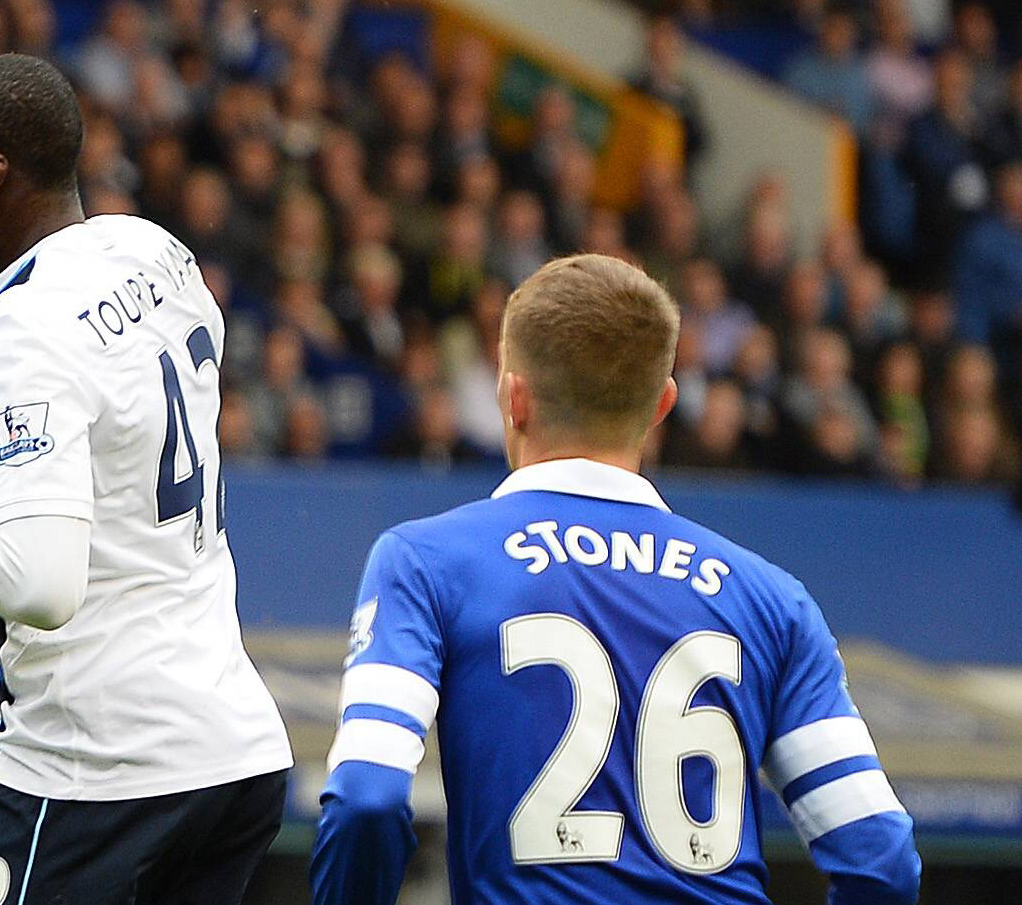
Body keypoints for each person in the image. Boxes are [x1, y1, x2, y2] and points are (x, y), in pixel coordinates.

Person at [311, 254, 919, 904]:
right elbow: (880, 858)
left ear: (512, 396)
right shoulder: (771, 599)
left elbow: (366, 800)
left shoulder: (425, 561)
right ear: (661, 405)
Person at [0, 53, 290, 903]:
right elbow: (119, 398)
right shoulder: (150, 250)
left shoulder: (26, 334)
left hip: (96, 775)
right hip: (229, 755)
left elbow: (40, 583)